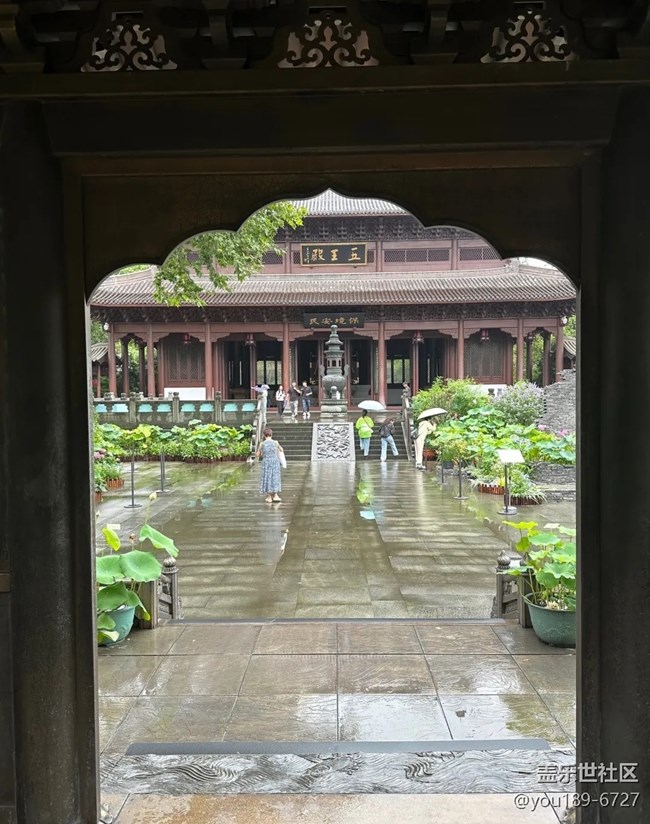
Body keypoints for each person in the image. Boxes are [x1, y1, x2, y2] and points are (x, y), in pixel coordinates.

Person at [256, 427, 284, 503]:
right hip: (275, 462)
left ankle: (269, 496)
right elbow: (281, 450)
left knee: (267, 477)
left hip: (266, 462)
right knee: (275, 477)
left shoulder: (262, 444)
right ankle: (275, 495)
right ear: (271, 434)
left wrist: (262, 453)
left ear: (264, 435)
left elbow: (258, 455)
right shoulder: (275, 442)